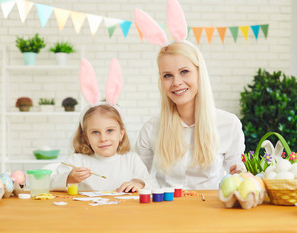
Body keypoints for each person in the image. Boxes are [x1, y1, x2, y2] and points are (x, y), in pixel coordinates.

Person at [135, 41, 246, 190]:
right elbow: (139, 176)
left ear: (199, 73)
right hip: (166, 208)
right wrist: (137, 182)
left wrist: (241, 173)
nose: (177, 82)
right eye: (168, 75)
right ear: (161, 81)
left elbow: (237, 175)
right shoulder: (151, 129)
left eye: (184, 72)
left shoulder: (229, 124)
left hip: (210, 210)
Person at [51, 58, 158, 192]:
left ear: (121, 133)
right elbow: (50, 183)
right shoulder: (77, 161)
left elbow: (153, 185)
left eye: (110, 131)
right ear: (86, 137)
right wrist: (68, 178)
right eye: (95, 132)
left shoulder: (131, 160)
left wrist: (139, 183)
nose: (103, 138)